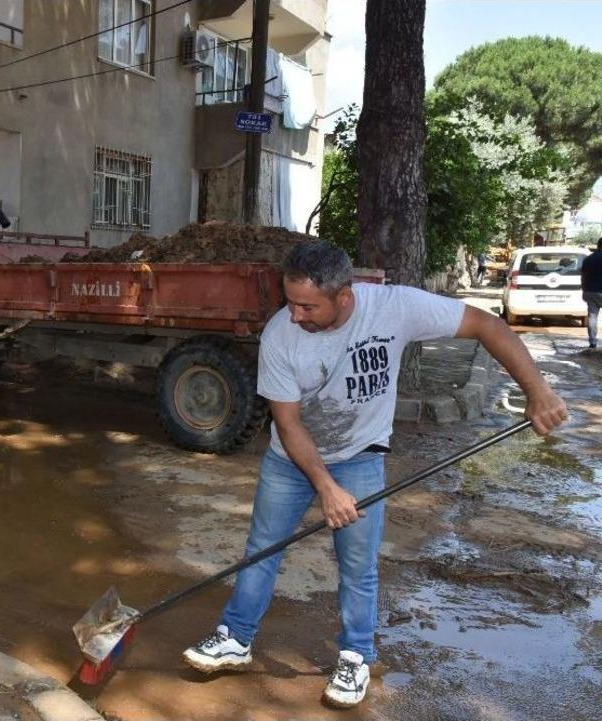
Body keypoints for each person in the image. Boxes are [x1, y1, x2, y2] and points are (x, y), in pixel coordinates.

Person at [182, 240, 567, 708]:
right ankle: (235, 637)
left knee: (358, 566)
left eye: (308, 305)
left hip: (361, 457)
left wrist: (538, 390)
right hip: (291, 460)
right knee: (262, 549)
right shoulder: (279, 335)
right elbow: (288, 423)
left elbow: (487, 325)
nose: (296, 314)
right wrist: (326, 487)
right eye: (290, 302)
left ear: (345, 295)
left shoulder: (395, 307)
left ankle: (355, 655)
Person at [582, 237, 602, 349]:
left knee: (592, 316)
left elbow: (583, 276)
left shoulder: (588, 259)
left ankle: (593, 342)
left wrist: (584, 290)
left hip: (590, 291)